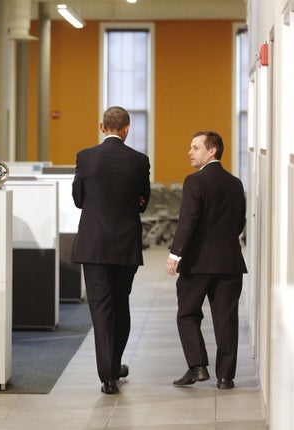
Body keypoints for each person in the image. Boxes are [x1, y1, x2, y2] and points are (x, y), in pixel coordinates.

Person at [71, 106, 151, 395]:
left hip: (93, 245)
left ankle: (108, 376)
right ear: (127, 128)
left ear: (101, 126)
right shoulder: (139, 160)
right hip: (126, 244)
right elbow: (144, 201)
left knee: (101, 309)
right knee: (121, 304)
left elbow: (78, 199)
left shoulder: (86, 157)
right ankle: (114, 364)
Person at [165, 131, 247, 390]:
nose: (190, 152)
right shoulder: (236, 183)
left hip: (198, 264)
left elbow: (188, 221)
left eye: (195, 147)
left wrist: (175, 253)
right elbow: (239, 223)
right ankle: (225, 377)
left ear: (212, 151)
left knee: (187, 314)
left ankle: (197, 366)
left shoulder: (194, 181)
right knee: (226, 319)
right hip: (230, 262)